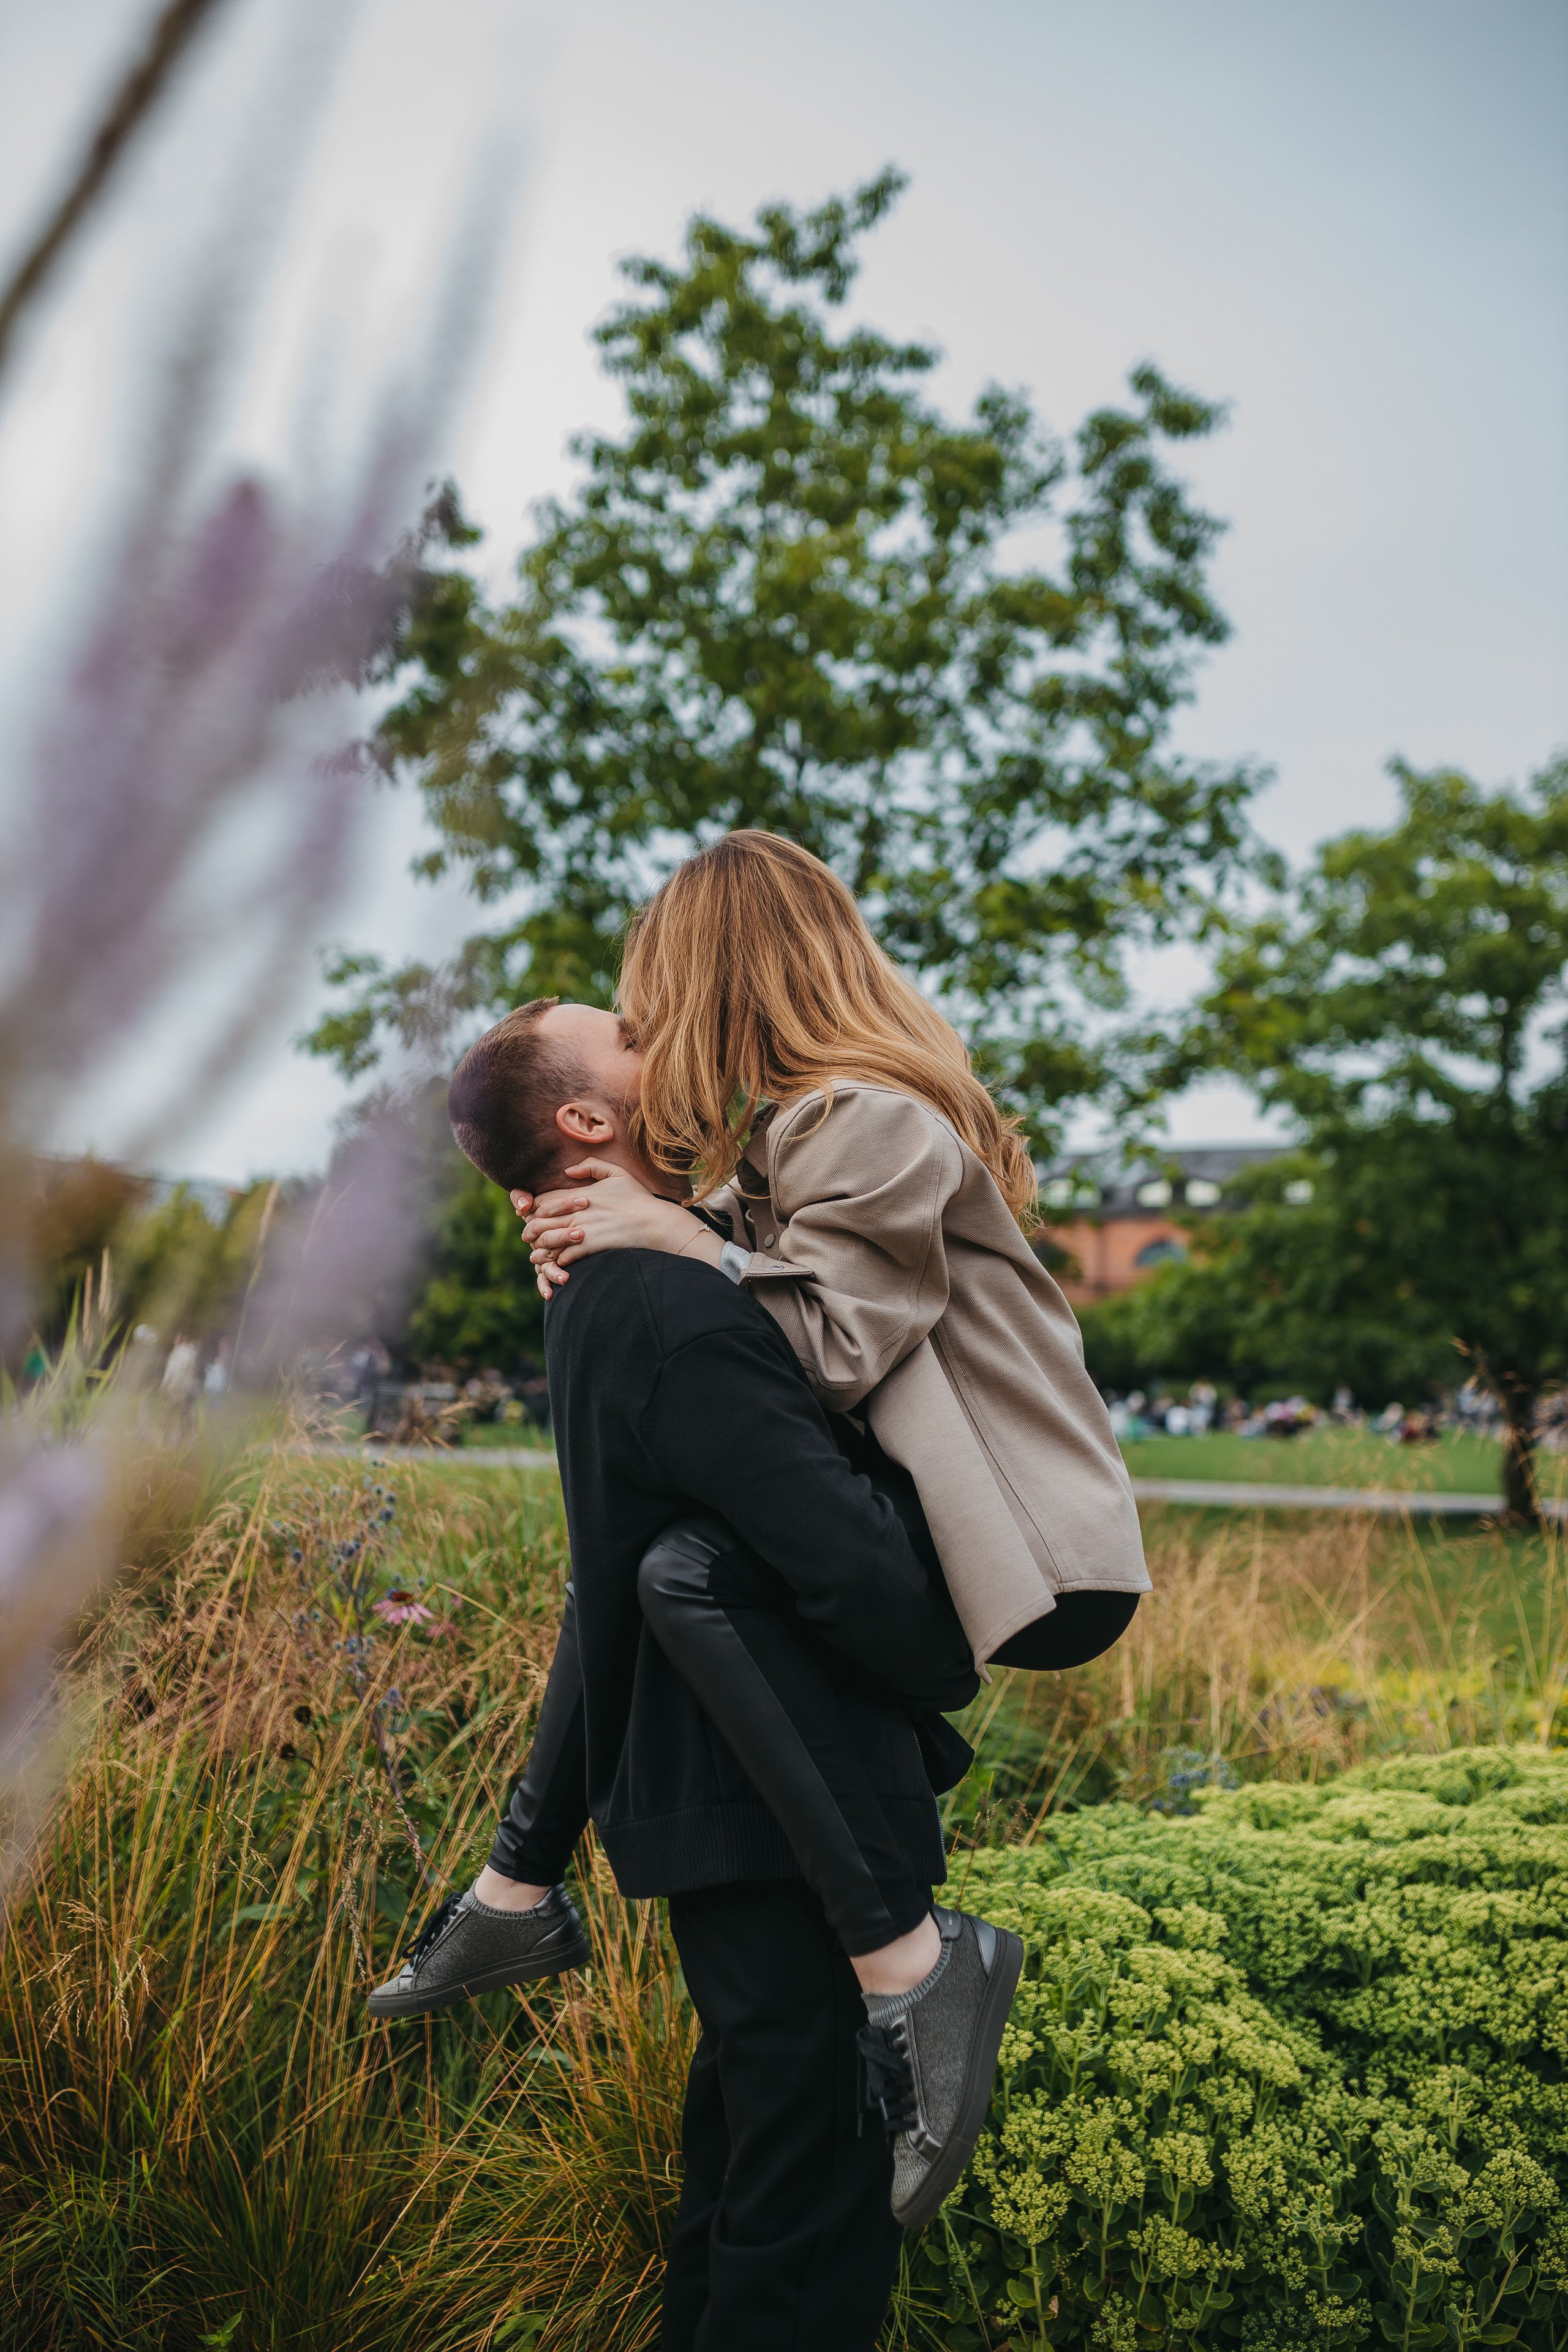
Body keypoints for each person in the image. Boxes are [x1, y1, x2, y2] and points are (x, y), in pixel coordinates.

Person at [368, 998, 1023, 2348]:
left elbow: (615, 1577)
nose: (668, 1028)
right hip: (792, 1813)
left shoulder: (610, 1279)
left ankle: (511, 1896)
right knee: (804, 2218)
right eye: (627, 1029)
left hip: (706, 1800)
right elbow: (871, 1594)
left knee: (741, 2176)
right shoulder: (668, 1304)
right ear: (587, 1123)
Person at [521, 832, 1149, 1678]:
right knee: (677, 1559)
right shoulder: (798, 1134)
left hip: (1034, 1547)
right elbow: (735, 1245)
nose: (654, 1038)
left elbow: (831, 1342)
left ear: (713, 993)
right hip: (961, 1511)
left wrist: (669, 1234)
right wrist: (591, 1217)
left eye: (654, 1012)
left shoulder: (863, 1120)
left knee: (688, 1571)